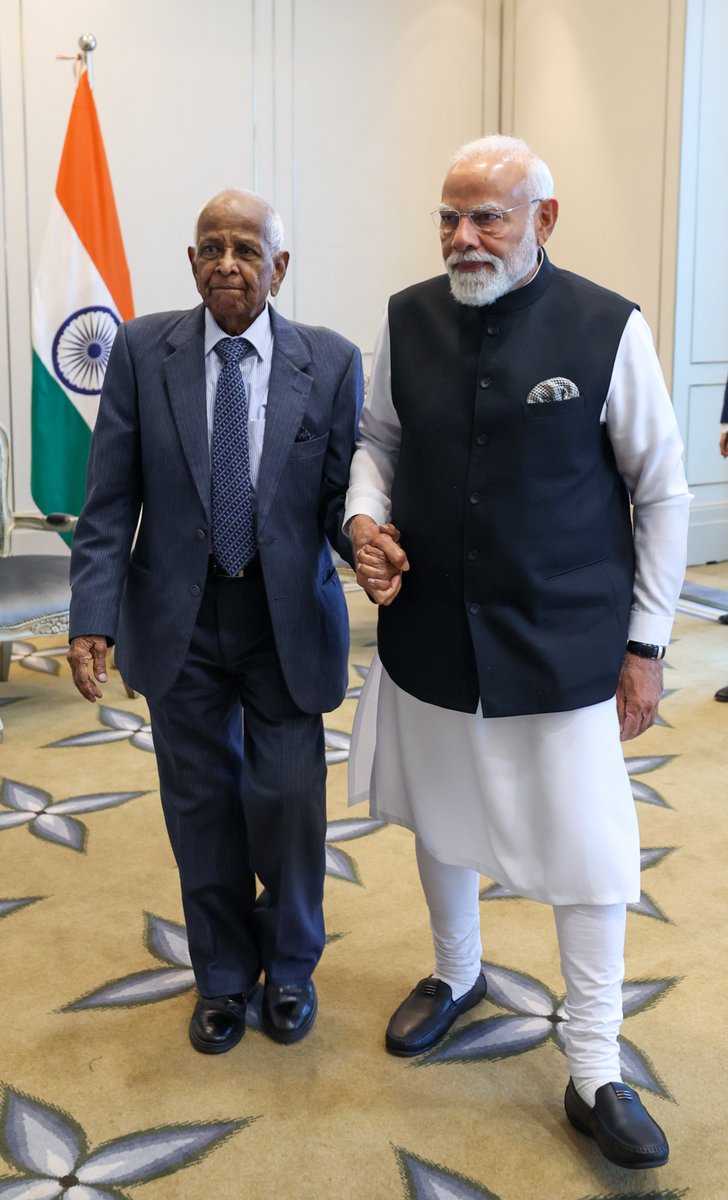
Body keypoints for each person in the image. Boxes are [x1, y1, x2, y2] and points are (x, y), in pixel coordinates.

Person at [345, 135, 689, 1170]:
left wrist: (645, 643)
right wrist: (364, 521)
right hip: (431, 633)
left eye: (487, 216)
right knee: (442, 817)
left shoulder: (606, 326)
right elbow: (379, 441)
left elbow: (660, 489)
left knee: (589, 855)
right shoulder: (405, 317)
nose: (462, 236)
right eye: (448, 215)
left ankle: (592, 1066)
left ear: (543, 219)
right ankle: (455, 975)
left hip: (561, 641)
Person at [68, 188, 363, 1054]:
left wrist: (368, 540)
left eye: (245, 248)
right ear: (191, 262)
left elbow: (347, 494)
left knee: (286, 798)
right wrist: (94, 614)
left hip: (284, 618)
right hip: (179, 616)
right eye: (210, 247)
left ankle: (294, 965)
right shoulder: (138, 350)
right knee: (200, 804)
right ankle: (225, 976)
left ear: (279, 266)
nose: (226, 262)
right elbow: (109, 499)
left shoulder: (333, 361)